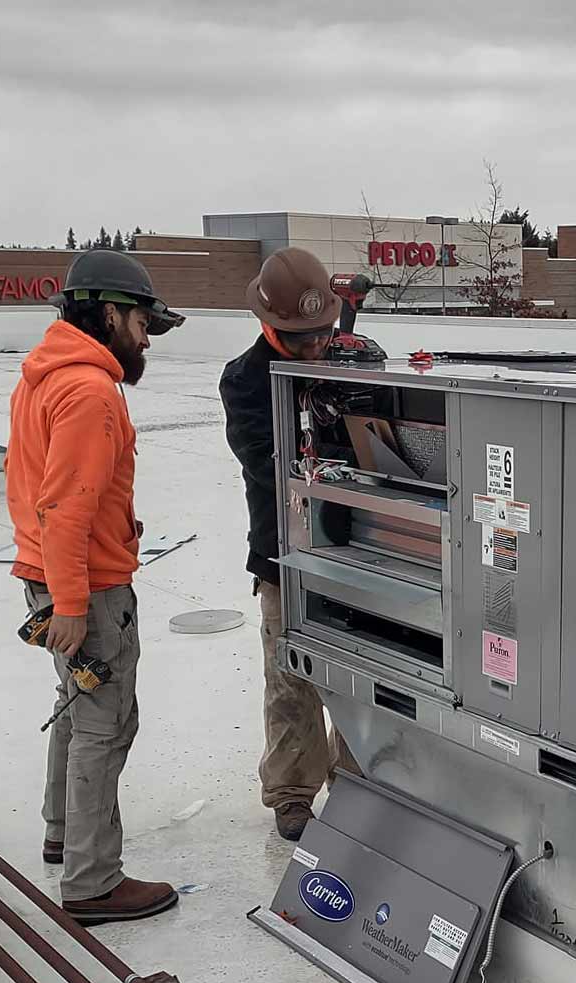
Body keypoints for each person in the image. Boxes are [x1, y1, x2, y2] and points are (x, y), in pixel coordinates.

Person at [5, 249, 184, 924]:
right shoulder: (88, 391)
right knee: (105, 725)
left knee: (77, 707)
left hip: (46, 574)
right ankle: (92, 882)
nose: (145, 339)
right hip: (87, 588)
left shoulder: (42, 378)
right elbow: (68, 506)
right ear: (109, 313)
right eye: (141, 323)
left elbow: (40, 496)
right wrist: (75, 605)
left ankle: (62, 831)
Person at [218, 247, 359, 841]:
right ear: (266, 324)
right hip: (283, 549)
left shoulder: (344, 360)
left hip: (353, 547)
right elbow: (262, 460)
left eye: (322, 334)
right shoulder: (245, 380)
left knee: (360, 674)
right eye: (300, 339)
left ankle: (360, 783)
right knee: (290, 676)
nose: (314, 347)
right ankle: (292, 791)